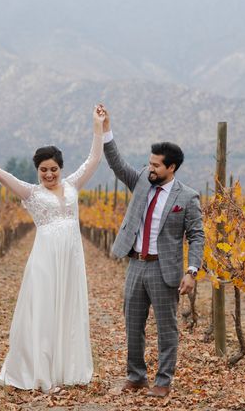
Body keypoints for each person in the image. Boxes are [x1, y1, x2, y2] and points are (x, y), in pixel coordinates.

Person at [0, 105, 106, 393]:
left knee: (68, 308)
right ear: (37, 171)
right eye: (44, 170)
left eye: (54, 169)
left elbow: (94, 158)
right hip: (46, 260)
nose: (49, 174)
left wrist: (97, 126)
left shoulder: (73, 185)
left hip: (71, 260)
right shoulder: (30, 193)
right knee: (44, 310)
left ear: (61, 168)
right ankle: (38, 372)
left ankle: (65, 368)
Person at [101, 106, 204, 398]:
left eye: (157, 165)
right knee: (133, 325)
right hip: (136, 265)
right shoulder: (141, 182)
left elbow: (197, 236)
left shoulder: (187, 197)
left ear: (171, 168)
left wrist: (192, 271)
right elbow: (117, 164)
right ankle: (136, 377)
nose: (151, 169)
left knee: (167, 329)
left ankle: (163, 381)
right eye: (149, 164)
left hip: (164, 270)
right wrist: (106, 129)